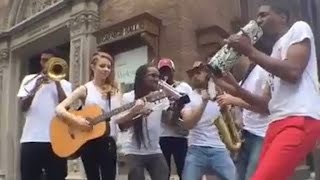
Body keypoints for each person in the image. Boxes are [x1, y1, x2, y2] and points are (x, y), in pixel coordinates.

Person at [215, 0, 320, 179]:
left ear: (283, 17)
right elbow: (265, 105)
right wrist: (235, 89)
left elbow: (293, 71)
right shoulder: (273, 52)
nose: (259, 20)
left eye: (264, 14)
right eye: (257, 16)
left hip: (299, 118)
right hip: (275, 123)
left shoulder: (299, 28)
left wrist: (249, 51)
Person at [55, 51, 119, 180]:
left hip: (108, 140)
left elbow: (119, 115)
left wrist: (136, 110)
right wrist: (76, 120)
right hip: (88, 140)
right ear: (93, 67)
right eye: (102, 66)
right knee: (92, 177)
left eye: (109, 66)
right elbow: (59, 108)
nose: (106, 69)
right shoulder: (85, 89)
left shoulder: (114, 90)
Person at [17, 49, 72, 180]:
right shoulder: (29, 79)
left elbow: (67, 106)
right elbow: (23, 107)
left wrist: (57, 81)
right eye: (43, 60)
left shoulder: (65, 84)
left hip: (56, 140)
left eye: (49, 60)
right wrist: (36, 87)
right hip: (31, 139)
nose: (45, 63)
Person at [180, 61, 237, 180]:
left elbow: (231, 120)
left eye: (198, 72)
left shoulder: (220, 94)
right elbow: (188, 124)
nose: (194, 76)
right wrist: (204, 102)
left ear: (208, 74)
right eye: (192, 73)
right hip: (196, 149)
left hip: (219, 148)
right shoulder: (188, 98)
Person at [115, 64, 169, 180]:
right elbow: (122, 125)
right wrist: (137, 113)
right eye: (152, 76)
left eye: (158, 76)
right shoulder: (128, 97)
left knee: (164, 174)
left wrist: (176, 107)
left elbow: (169, 120)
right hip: (133, 150)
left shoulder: (161, 97)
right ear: (141, 78)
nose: (156, 79)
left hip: (155, 150)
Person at [217, 64, 269, 180]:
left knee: (253, 176)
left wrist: (233, 100)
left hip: (261, 135)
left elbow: (265, 108)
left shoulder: (263, 71)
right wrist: (217, 80)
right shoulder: (250, 71)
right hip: (246, 132)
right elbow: (239, 92)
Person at [157, 58, 192, 179]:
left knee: (183, 170)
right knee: (163, 171)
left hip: (180, 136)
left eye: (168, 70)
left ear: (173, 71)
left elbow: (190, 108)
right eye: (162, 71)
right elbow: (163, 115)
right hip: (163, 135)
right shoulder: (157, 90)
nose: (165, 73)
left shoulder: (184, 87)